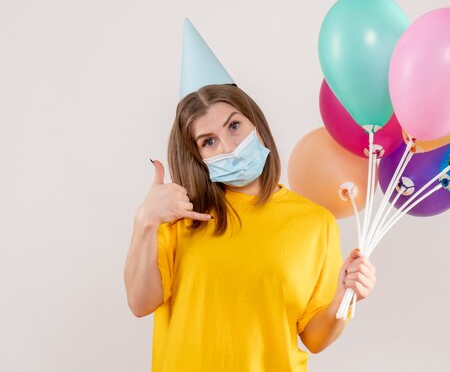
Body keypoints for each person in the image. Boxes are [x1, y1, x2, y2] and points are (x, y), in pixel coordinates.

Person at [124, 84, 377, 371]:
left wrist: (343, 297)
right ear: (196, 157)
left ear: (255, 124)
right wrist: (144, 220)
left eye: (234, 125)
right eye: (209, 142)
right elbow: (140, 303)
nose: (229, 146)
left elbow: (315, 338)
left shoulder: (316, 223)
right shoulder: (180, 215)